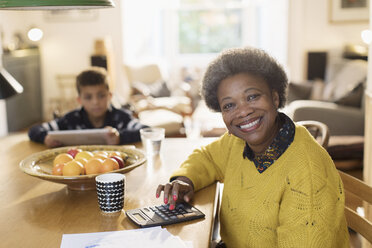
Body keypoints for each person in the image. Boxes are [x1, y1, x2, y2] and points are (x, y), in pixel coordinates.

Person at [156, 47, 349, 247]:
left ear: (275, 98)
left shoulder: (306, 173)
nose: (243, 112)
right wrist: (185, 180)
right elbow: (208, 157)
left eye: (252, 97)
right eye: (229, 105)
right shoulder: (236, 142)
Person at [28, 67, 148, 147]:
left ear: (110, 96)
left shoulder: (121, 117)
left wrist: (120, 138)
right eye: (88, 97)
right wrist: (45, 138)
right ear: (79, 100)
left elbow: (148, 131)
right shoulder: (71, 119)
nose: (95, 102)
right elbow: (34, 130)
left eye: (101, 96)